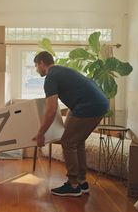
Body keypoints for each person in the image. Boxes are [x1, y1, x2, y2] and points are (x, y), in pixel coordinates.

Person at [32, 51, 109, 197]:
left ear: (42, 63)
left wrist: (40, 134)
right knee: (77, 142)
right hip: (100, 103)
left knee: (68, 142)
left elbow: (51, 110)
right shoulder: (62, 71)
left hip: (89, 106)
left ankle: (73, 185)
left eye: (36, 66)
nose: (36, 70)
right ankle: (82, 182)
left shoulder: (51, 77)